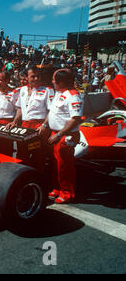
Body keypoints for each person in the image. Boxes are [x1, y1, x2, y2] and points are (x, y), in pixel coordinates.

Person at [43, 69, 84, 204]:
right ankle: (57, 188)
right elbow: (52, 112)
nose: (52, 82)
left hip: (66, 135)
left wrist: (60, 134)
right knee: (55, 164)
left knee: (65, 166)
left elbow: (75, 119)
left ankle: (67, 192)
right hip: (54, 133)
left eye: (54, 80)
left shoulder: (74, 96)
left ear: (61, 82)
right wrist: (45, 124)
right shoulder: (59, 93)